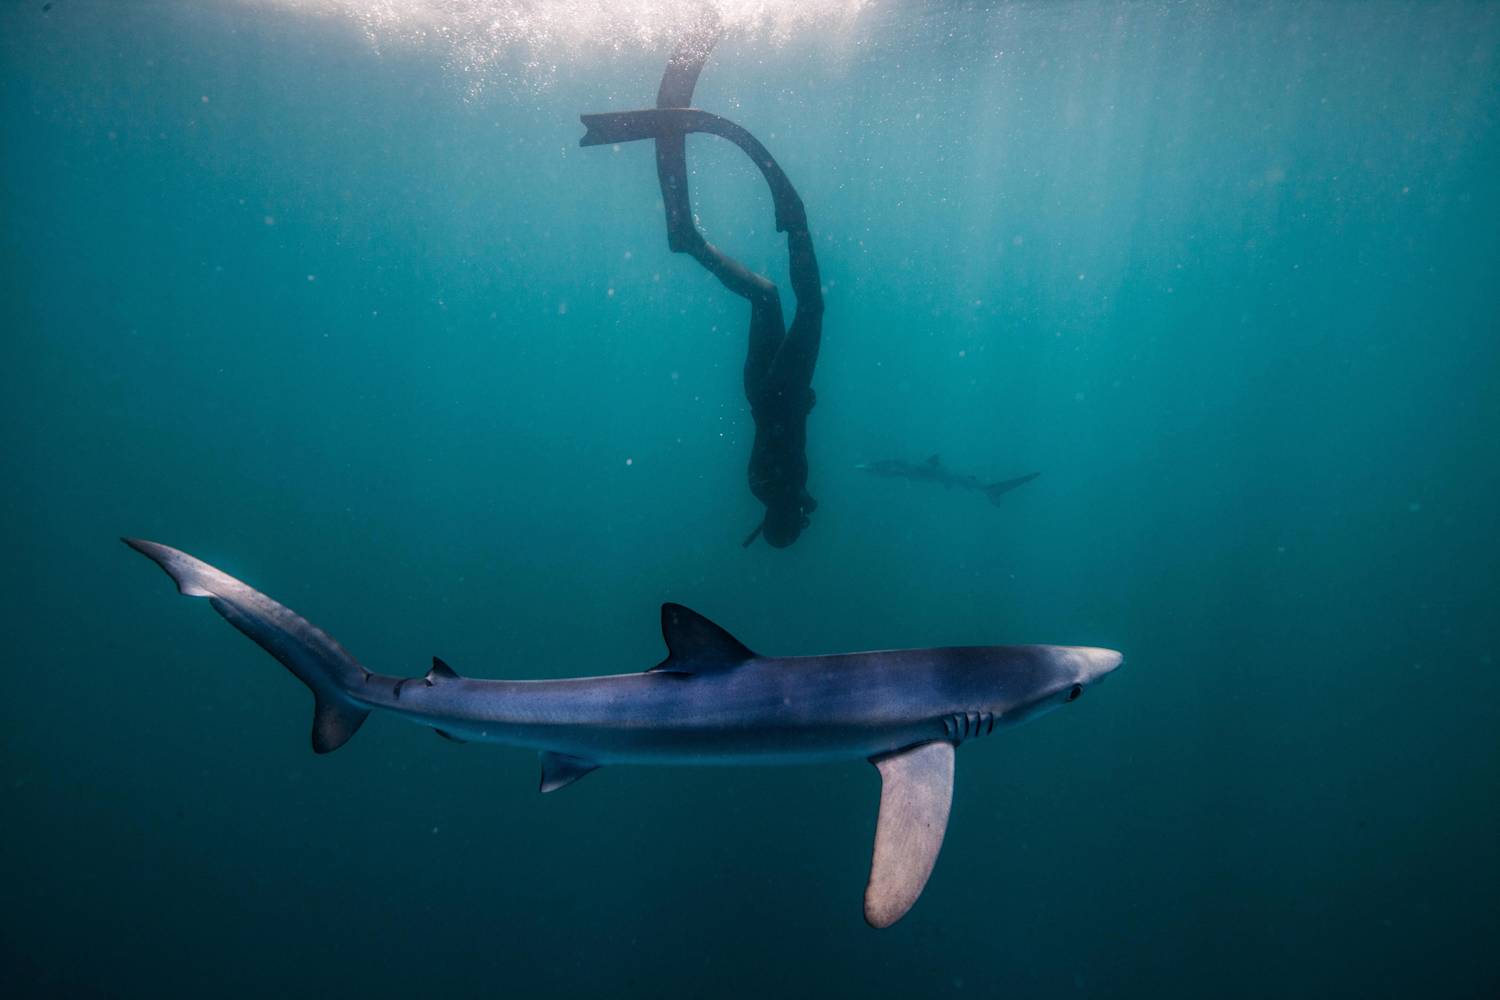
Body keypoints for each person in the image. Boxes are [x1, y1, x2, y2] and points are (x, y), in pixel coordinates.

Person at [580, 17, 824, 548]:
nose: (806, 517)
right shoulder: (770, 491)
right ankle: (689, 240)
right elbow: (780, 449)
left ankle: (793, 219)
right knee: (766, 296)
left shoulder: (778, 488)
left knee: (810, 308)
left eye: (798, 524)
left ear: (786, 520)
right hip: (763, 395)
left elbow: (782, 443)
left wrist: (797, 409)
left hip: (776, 395)